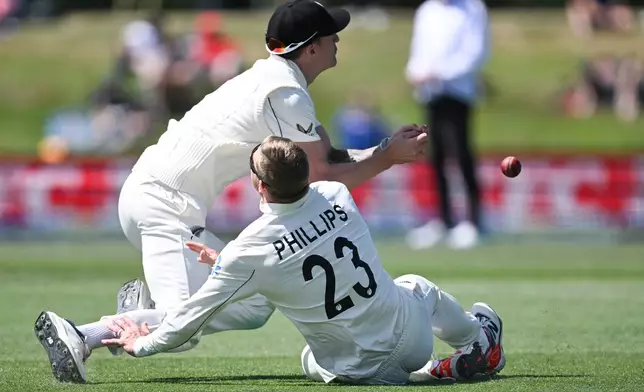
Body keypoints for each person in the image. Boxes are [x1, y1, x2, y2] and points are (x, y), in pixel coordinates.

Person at [35, 0, 429, 380]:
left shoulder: (279, 81)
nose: (337, 40)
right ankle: (82, 334)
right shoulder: (285, 93)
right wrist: (388, 158)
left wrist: (383, 150)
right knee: (178, 328)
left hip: (160, 197)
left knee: (256, 305)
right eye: (331, 35)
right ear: (311, 48)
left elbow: (323, 155)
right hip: (164, 203)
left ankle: (143, 311)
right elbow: (319, 176)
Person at [34, 136, 505, 385]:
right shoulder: (336, 193)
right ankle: (475, 340)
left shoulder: (250, 250)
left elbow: (186, 321)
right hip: (414, 339)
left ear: (260, 187)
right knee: (416, 286)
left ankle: (416, 374)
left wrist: (141, 345)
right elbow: (310, 249)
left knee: (310, 355)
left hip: (347, 369)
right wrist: (232, 260)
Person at [404, 0, 489, 250]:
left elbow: (476, 52)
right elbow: (419, 49)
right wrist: (416, 71)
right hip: (430, 92)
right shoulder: (427, 10)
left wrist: (441, 72)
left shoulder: (473, 8)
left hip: (459, 91)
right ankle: (444, 220)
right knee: (436, 155)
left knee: (461, 154)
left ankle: (473, 221)